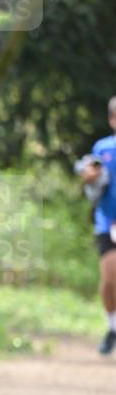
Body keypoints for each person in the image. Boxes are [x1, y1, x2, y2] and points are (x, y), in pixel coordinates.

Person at [75, 96, 116, 356]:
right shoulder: (103, 148)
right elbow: (90, 176)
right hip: (107, 221)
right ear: (112, 120)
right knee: (110, 278)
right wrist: (89, 177)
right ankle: (113, 326)